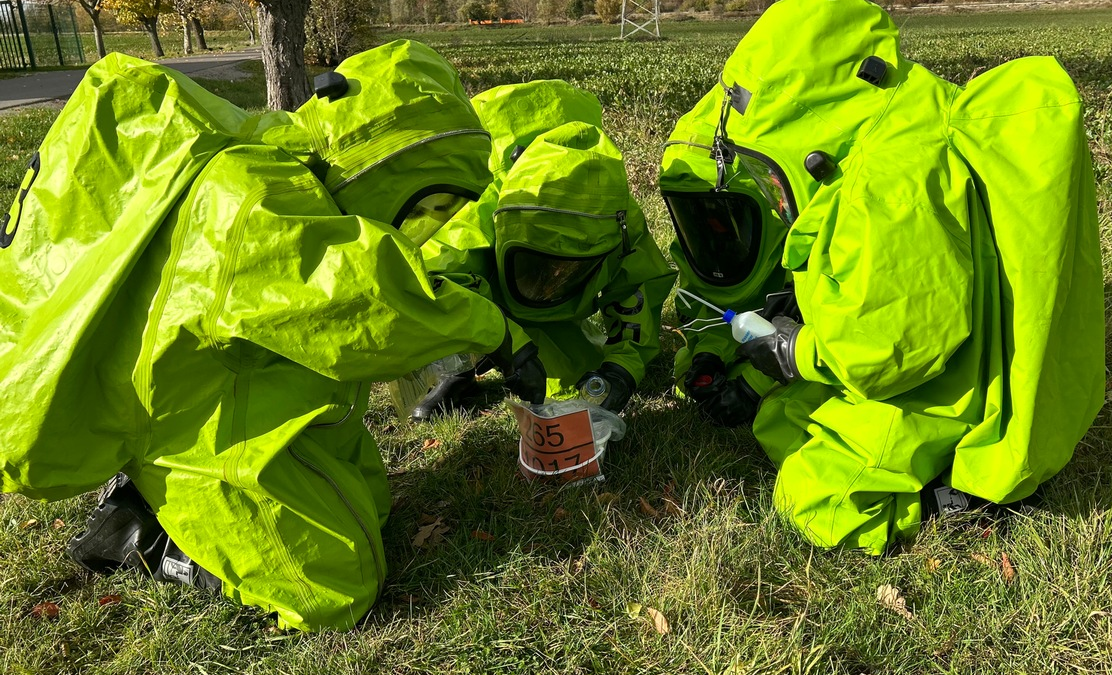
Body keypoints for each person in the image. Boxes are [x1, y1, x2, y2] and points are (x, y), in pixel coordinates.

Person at [0, 41, 543, 631]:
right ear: (380, 163)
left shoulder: (282, 174)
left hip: (231, 394)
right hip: (190, 428)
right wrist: (496, 333)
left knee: (372, 507)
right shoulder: (252, 196)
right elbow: (364, 299)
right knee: (335, 589)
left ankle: (162, 503)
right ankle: (149, 534)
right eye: (427, 203)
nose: (421, 228)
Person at [709, 0, 1105, 553]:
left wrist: (795, 351)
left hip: (941, 391)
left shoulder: (888, 190)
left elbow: (891, 348)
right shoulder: (902, 120)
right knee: (783, 417)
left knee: (814, 501)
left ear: (812, 125)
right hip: (951, 362)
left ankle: (953, 499)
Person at [413, 80, 676, 419]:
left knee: (576, 376)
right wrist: (509, 344)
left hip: (549, 306)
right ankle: (455, 370)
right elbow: (441, 283)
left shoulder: (616, 215)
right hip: (494, 286)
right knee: (448, 308)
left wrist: (623, 367)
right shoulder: (480, 205)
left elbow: (637, 287)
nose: (553, 277)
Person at [659, 83, 792, 428]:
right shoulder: (700, 249)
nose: (713, 231)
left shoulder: (799, 244)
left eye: (723, 219)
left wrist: (752, 386)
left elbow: (826, 335)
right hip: (763, 339)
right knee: (686, 371)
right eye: (699, 217)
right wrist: (708, 356)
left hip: (806, 350)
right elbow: (712, 310)